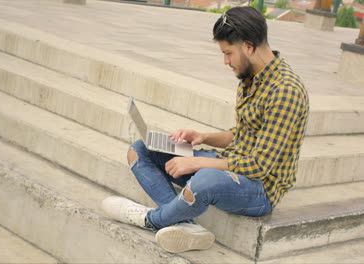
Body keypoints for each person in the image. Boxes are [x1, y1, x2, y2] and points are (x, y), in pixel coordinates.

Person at [102, 6, 309, 254]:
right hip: (228, 163)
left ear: (249, 46)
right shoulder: (250, 77)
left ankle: (151, 220)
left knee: (204, 179)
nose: (225, 61)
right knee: (141, 149)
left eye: (228, 53)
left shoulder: (286, 91)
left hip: (259, 189)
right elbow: (242, 134)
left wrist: (198, 162)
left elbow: (259, 165)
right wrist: (202, 137)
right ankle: (186, 224)